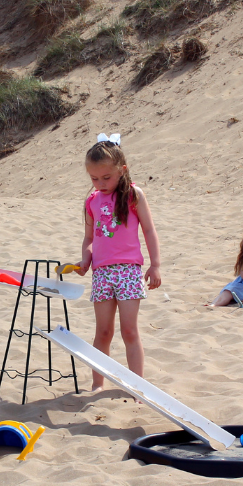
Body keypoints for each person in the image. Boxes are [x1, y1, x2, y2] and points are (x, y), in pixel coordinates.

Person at [74, 133, 161, 393]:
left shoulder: (133, 195)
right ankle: (98, 383)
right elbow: (89, 238)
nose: (99, 184)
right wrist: (85, 259)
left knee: (130, 331)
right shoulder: (92, 201)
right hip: (101, 273)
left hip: (128, 271)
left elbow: (149, 230)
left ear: (122, 170)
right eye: (93, 178)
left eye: (106, 177)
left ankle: (138, 388)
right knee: (103, 332)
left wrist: (155, 264)